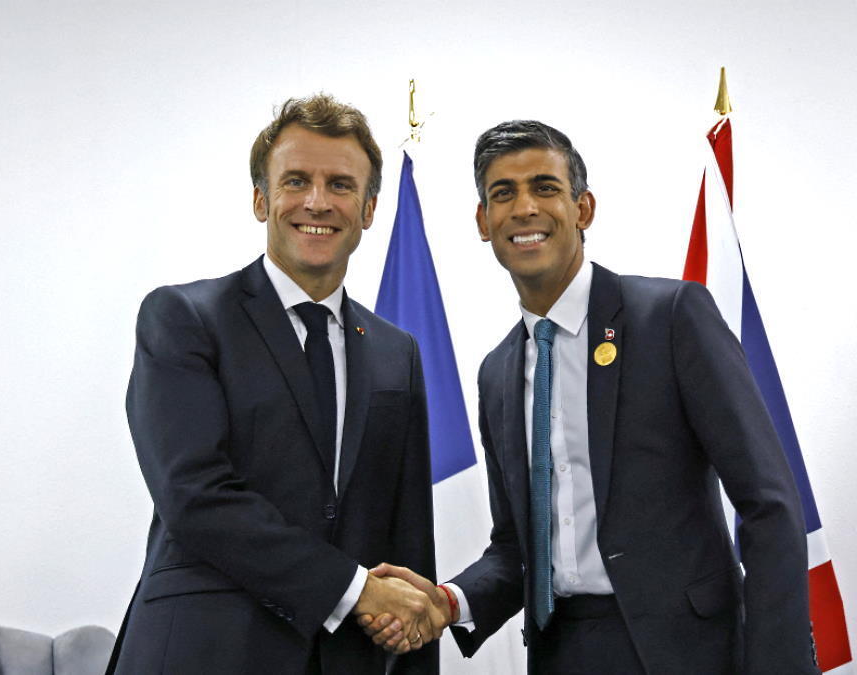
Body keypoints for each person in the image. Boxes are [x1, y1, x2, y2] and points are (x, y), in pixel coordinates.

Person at [361, 120, 819, 674]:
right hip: (561, 653)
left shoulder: (670, 318)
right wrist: (448, 602)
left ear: (583, 208)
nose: (525, 208)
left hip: (686, 653)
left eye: (545, 188)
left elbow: (769, 505)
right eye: (503, 193)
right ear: (483, 221)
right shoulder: (496, 374)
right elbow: (517, 550)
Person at [107, 94, 442, 675]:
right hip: (203, 653)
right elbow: (194, 495)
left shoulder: (398, 352)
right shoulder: (184, 318)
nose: (318, 202)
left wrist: (411, 639)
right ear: (262, 199)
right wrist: (354, 590)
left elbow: (407, 543)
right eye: (296, 181)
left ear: (368, 209)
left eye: (341, 185)